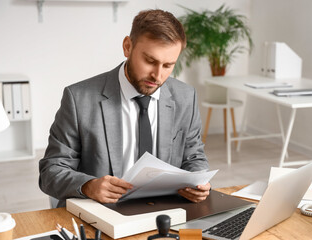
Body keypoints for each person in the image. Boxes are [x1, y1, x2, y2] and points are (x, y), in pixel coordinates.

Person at [39, 9, 211, 208]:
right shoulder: (79, 99)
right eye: (150, 61)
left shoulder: (185, 97)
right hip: (99, 212)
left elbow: (194, 155)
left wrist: (198, 181)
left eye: (168, 65)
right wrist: (88, 186)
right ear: (127, 47)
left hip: (164, 211)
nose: (157, 75)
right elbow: (50, 171)